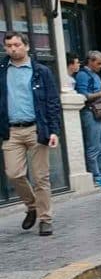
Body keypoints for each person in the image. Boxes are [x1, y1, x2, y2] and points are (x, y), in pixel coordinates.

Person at [1, 32, 61, 236]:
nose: (12, 49)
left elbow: (53, 102)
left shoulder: (41, 71)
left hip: (37, 129)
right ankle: (32, 205)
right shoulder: (1, 71)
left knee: (40, 177)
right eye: (8, 45)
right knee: (13, 173)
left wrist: (54, 130)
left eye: (17, 44)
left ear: (26, 46)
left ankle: (45, 219)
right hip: (11, 131)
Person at [75, 50, 101, 189]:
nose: (100, 66)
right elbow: (83, 95)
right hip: (90, 112)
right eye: (98, 63)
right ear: (90, 61)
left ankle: (100, 175)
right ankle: (95, 177)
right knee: (94, 146)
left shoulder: (95, 75)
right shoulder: (82, 75)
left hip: (100, 111)